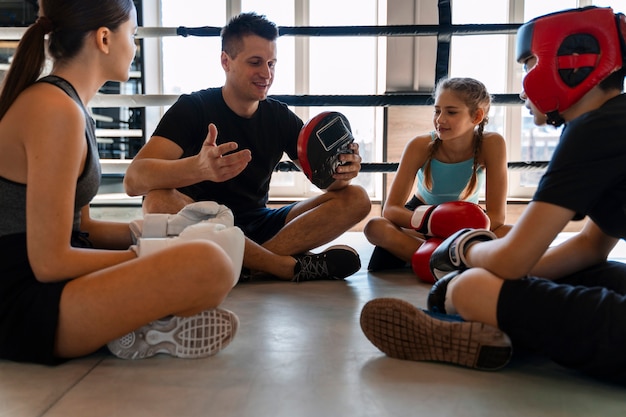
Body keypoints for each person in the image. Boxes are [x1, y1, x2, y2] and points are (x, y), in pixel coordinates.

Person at [360, 6, 626, 384]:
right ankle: (494, 322)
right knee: (578, 270)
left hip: (455, 237)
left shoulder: (594, 129)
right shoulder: (610, 118)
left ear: (572, 62)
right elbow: (589, 247)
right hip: (428, 229)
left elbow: (513, 258)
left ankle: (481, 325)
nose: (524, 82)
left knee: (472, 287)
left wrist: (465, 251)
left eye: (531, 62)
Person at [0, 0, 242, 365]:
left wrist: (161, 229)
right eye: (132, 34)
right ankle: (136, 324)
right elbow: (48, 262)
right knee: (208, 263)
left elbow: (83, 229)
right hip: (21, 303)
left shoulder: (73, 109)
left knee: (212, 256)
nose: (135, 46)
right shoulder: (54, 110)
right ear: (103, 38)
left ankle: (134, 326)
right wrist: (147, 255)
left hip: (49, 288)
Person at [123, 12, 371, 282]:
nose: (266, 73)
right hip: (201, 224)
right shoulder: (193, 108)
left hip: (259, 223)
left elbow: (326, 183)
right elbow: (134, 180)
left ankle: (250, 264)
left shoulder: (279, 117)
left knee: (356, 198)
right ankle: (281, 266)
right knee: (157, 200)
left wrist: (342, 169)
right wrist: (198, 169)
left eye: (272, 63)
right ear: (225, 61)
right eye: (255, 63)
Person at [364, 77, 509, 275]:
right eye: (437, 110)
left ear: (476, 116)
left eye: (451, 112)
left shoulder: (492, 144)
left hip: (467, 221)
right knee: (375, 227)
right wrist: (433, 224)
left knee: (512, 233)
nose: (440, 119)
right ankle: (454, 258)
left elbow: (497, 217)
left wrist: (458, 228)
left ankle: (434, 258)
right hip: (422, 219)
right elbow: (390, 210)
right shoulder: (419, 145)